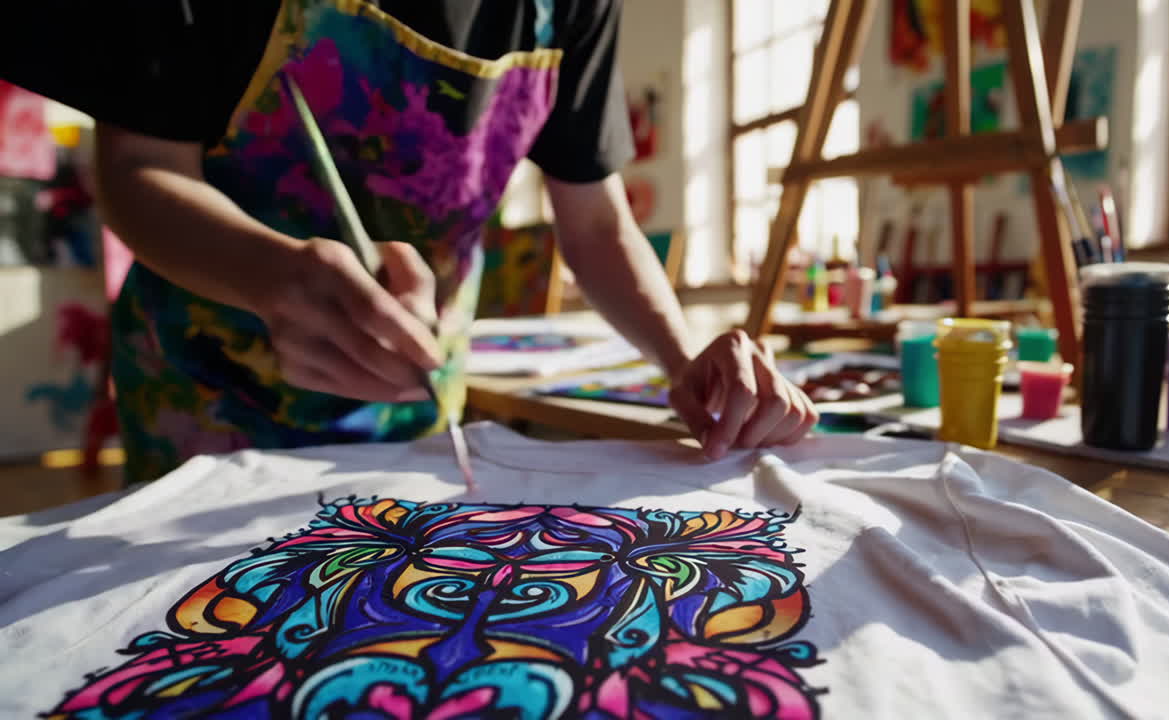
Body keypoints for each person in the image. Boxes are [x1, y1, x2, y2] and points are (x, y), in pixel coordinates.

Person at [2, 0, 818, 483]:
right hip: (208, 404)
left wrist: (686, 362)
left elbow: (598, 222)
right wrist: (269, 273)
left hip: (423, 409)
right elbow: (139, 169)